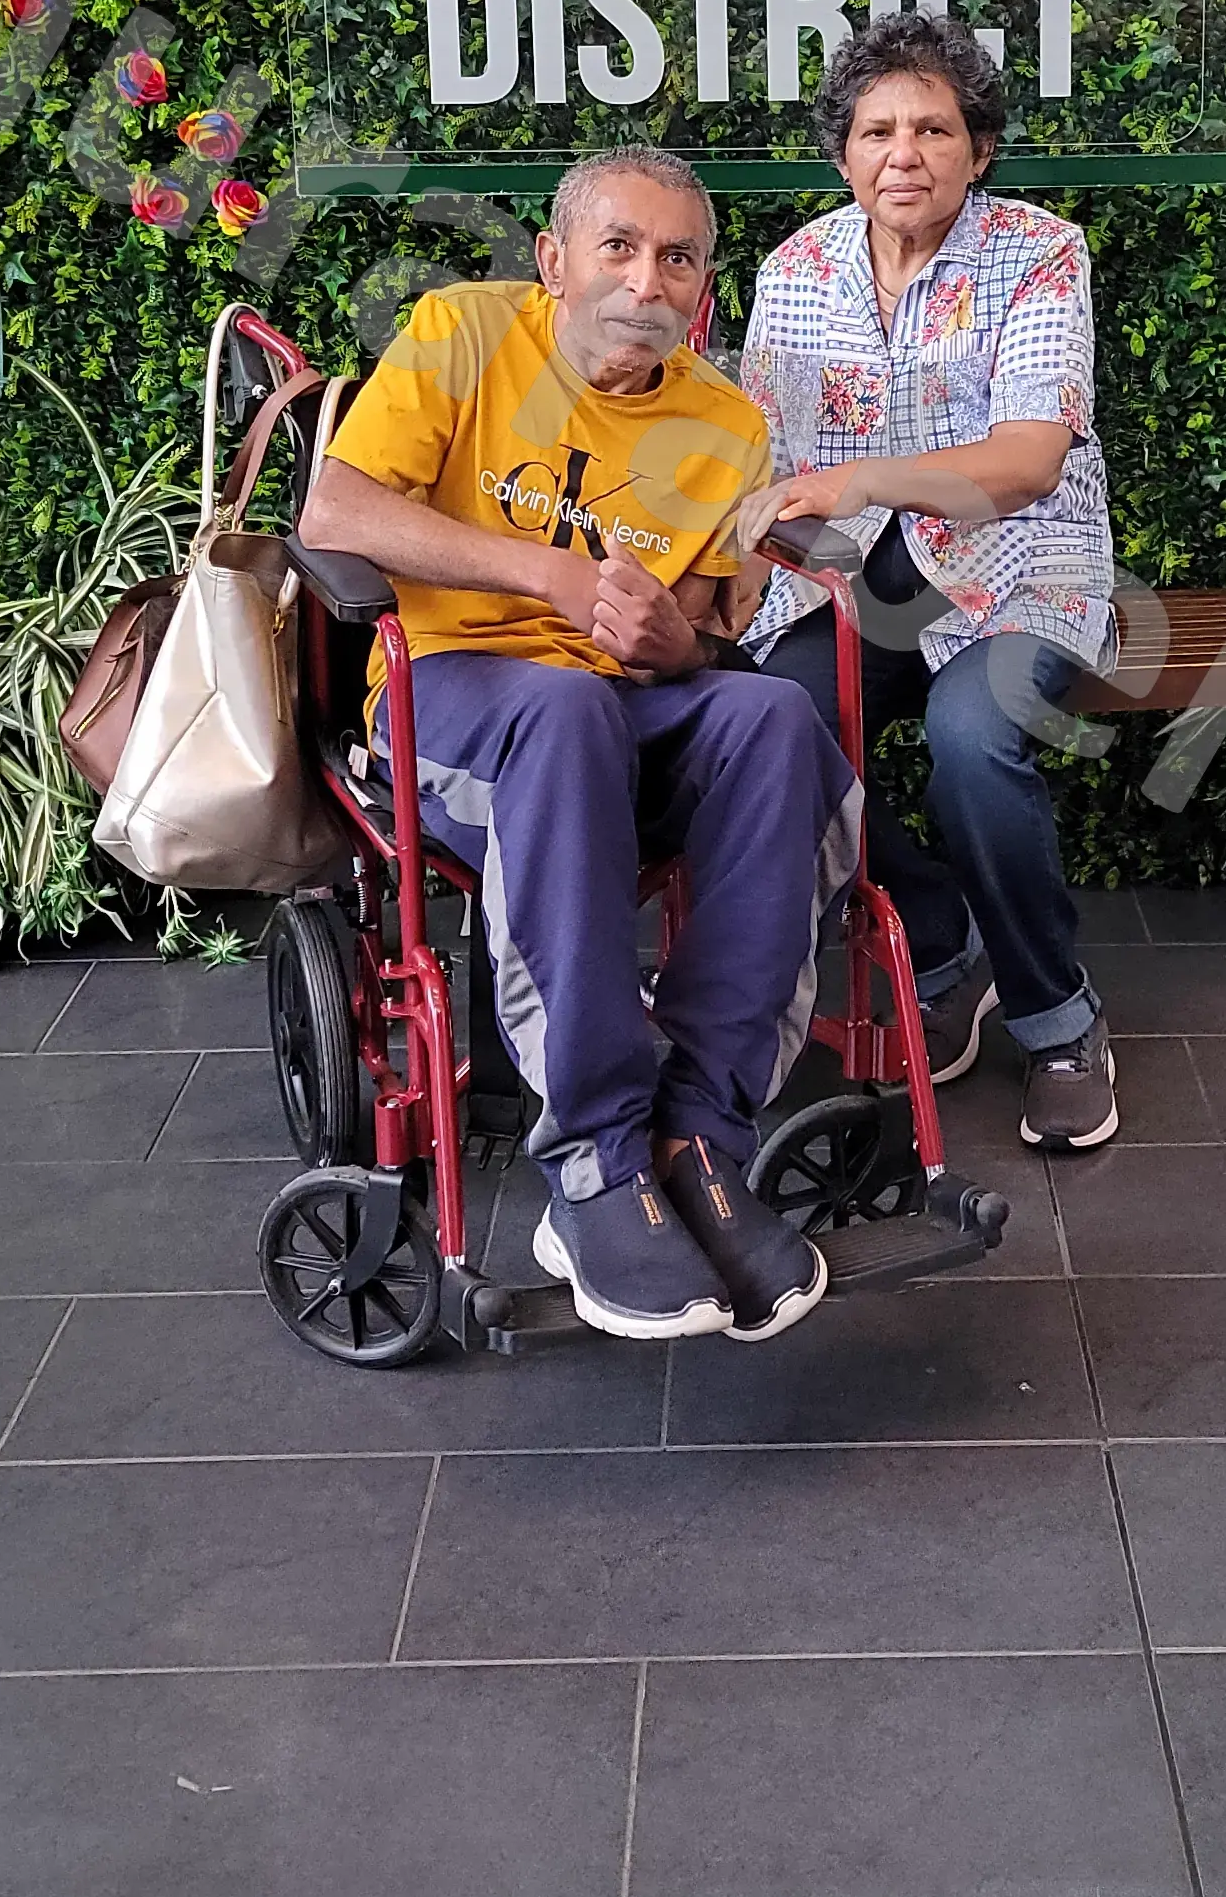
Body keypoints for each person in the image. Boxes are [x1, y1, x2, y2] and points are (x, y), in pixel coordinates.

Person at [301, 146, 848, 1345]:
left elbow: (701, 637)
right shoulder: (461, 333)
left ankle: (700, 1135)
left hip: (614, 708)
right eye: (619, 247)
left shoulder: (726, 427)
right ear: (553, 262)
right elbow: (335, 511)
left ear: (702, 288)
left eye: (678, 258)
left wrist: (674, 643)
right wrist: (543, 573)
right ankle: (596, 1164)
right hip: (450, 696)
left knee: (774, 717)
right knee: (565, 710)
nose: (647, 281)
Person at [738, 12, 1123, 1152]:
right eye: (876, 131)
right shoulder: (796, 271)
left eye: (933, 129)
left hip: (1022, 565)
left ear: (978, 149)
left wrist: (858, 477)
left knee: (972, 736)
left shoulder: (1040, 253)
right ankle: (945, 941)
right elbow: (759, 462)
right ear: (843, 154)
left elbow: (1026, 463)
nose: (902, 153)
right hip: (852, 574)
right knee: (775, 725)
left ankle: (1058, 1021)